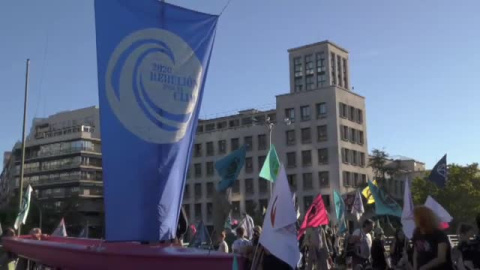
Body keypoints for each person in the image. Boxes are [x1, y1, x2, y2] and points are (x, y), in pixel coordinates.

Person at [412, 206, 453, 270]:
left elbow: (441, 258)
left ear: (422, 218)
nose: (413, 219)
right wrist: (415, 267)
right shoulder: (416, 233)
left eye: (415, 217)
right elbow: (416, 252)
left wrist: (424, 267)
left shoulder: (439, 234)